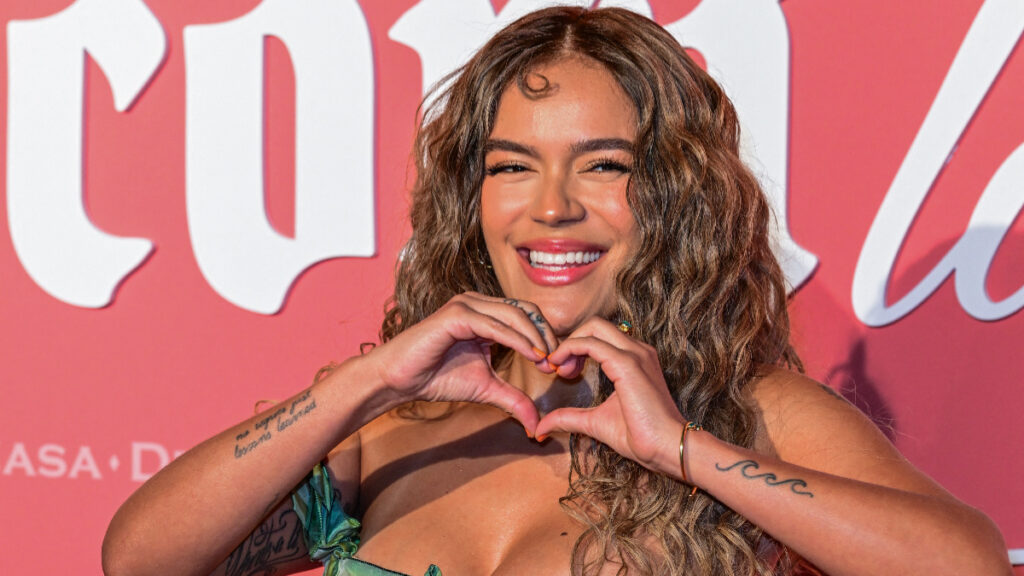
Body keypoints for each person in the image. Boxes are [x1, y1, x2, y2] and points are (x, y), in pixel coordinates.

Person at [102, 6, 1013, 576]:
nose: (551, 208)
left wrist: (681, 451)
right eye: (512, 166)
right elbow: (141, 559)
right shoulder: (395, 431)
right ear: (472, 197)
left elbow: (967, 568)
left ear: (674, 195)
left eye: (604, 165)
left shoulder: (752, 415)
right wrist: (365, 383)